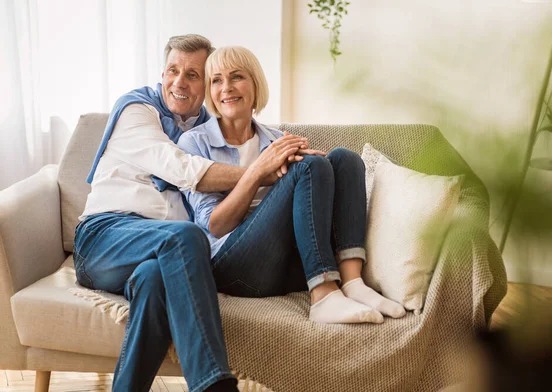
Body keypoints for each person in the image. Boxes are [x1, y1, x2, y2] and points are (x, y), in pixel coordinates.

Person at [74, 35, 309, 392]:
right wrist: (261, 170)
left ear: (207, 84)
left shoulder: (204, 131)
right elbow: (182, 168)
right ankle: (212, 384)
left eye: (194, 74)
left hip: (156, 252)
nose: (179, 82)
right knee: (186, 237)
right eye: (172, 71)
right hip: (105, 237)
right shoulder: (138, 110)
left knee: (155, 279)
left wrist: (291, 171)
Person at [178, 46, 407, 324]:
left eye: (236, 77)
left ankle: (352, 282)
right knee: (310, 167)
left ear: (255, 84)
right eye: (216, 80)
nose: (226, 87)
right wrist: (259, 171)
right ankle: (323, 297)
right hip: (233, 268)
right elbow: (215, 225)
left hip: (285, 266)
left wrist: (318, 173)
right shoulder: (194, 143)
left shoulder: (276, 139)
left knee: (344, 159)